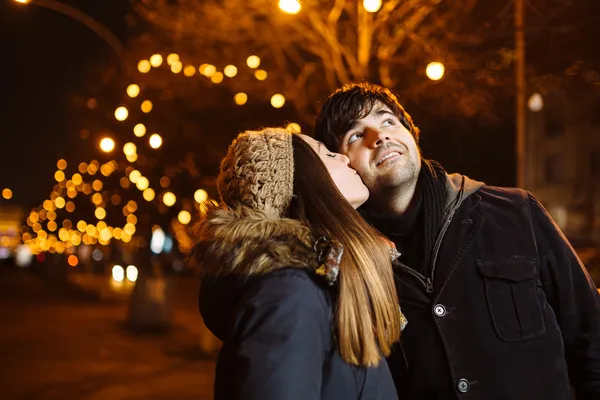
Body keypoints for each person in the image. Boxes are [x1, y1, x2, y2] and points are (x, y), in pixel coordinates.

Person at [314, 82, 600, 399]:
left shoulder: (516, 212)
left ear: (412, 134)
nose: (379, 136)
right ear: (343, 164)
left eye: (388, 121)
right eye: (356, 135)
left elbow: (591, 337)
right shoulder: (348, 265)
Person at [191, 128, 405, 399]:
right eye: (327, 154)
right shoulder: (289, 294)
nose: (344, 158)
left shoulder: (320, 284)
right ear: (300, 182)